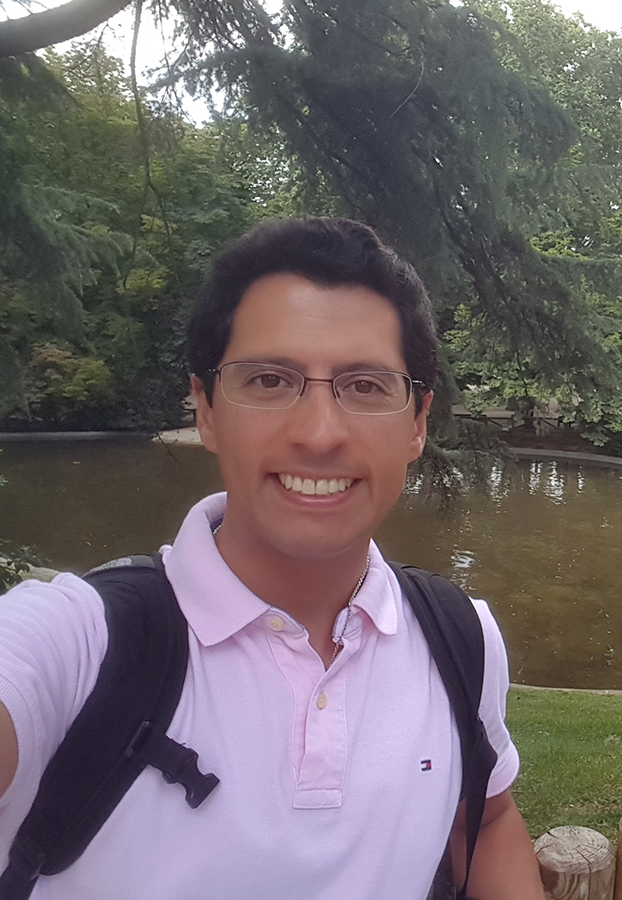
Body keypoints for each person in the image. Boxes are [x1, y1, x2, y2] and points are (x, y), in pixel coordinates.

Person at [0, 217, 544, 899]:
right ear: (204, 408)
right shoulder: (77, 644)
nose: (319, 434)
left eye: (366, 386)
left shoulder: (462, 639)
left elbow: (488, 819)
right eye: (268, 380)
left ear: (417, 423)